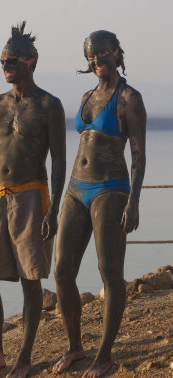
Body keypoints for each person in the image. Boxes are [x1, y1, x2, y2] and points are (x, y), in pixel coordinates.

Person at [0, 21, 66, 378]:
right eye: (2, 59)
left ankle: (23, 359)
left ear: (31, 61)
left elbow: (60, 161)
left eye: (12, 60)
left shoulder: (49, 105)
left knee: (30, 278)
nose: (5, 65)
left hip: (32, 196)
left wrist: (55, 209)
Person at [53, 30, 146, 377]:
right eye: (90, 58)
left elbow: (138, 155)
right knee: (62, 271)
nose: (96, 62)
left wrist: (134, 202)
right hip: (76, 190)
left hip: (111, 189)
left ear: (117, 54)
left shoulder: (128, 98)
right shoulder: (86, 94)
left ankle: (105, 355)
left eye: (102, 55)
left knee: (110, 274)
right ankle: (76, 347)